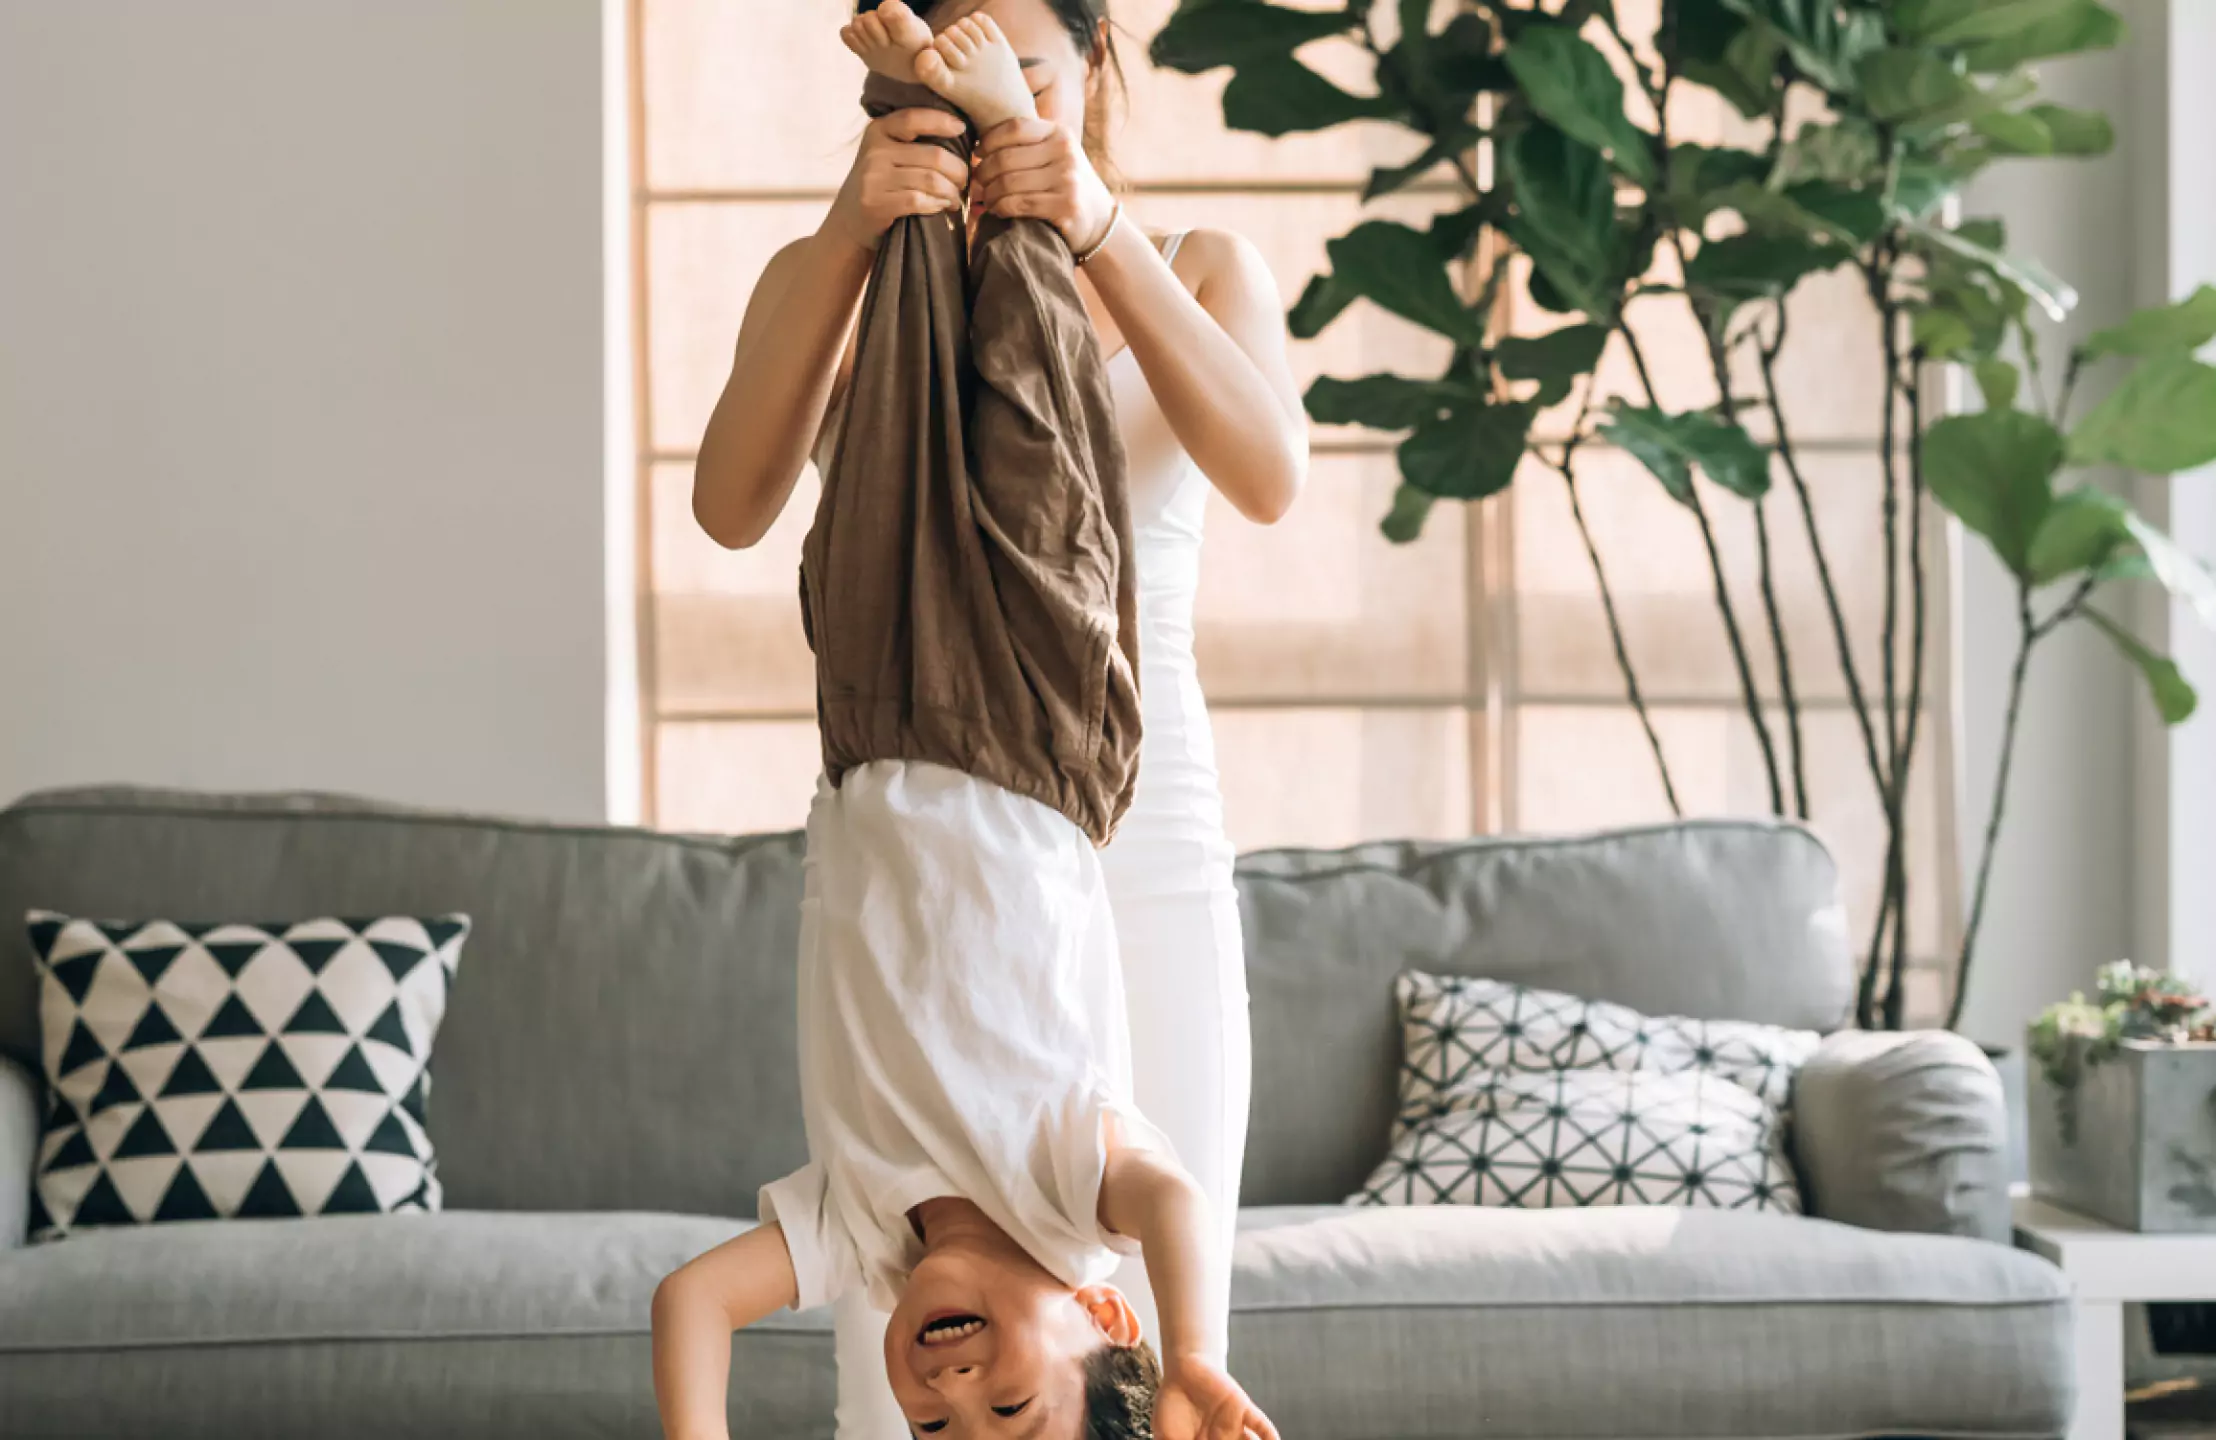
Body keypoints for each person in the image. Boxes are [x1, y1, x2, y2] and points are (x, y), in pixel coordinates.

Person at [667, 0, 1306, 1433]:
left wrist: (1091, 228)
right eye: (949, 71)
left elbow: (1268, 476)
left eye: (1023, 72)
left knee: (1151, 1333)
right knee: (898, 1339)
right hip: (930, 855)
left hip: (1137, 834)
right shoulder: (830, 270)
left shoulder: (1198, 264)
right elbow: (730, 506)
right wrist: (848, 233)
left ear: (1092, 75)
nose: (987, 95)